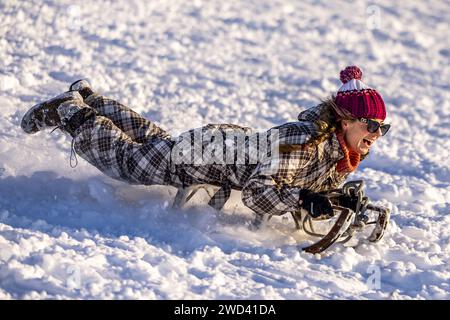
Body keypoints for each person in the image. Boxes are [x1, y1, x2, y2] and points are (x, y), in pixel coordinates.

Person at [21, 66, 390, 221]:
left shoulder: (337, 150)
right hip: (205, 156)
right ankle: (71, 112)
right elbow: (257, 193)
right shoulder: (306, 143)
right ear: (344, 120)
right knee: (128, 162)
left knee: (154, 143)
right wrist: (304, 200)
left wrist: (334, 199)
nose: (376, 133)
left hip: (217, 147)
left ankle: (90, 98)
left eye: (382, 128)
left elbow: (312, 184)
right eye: (371, 124)